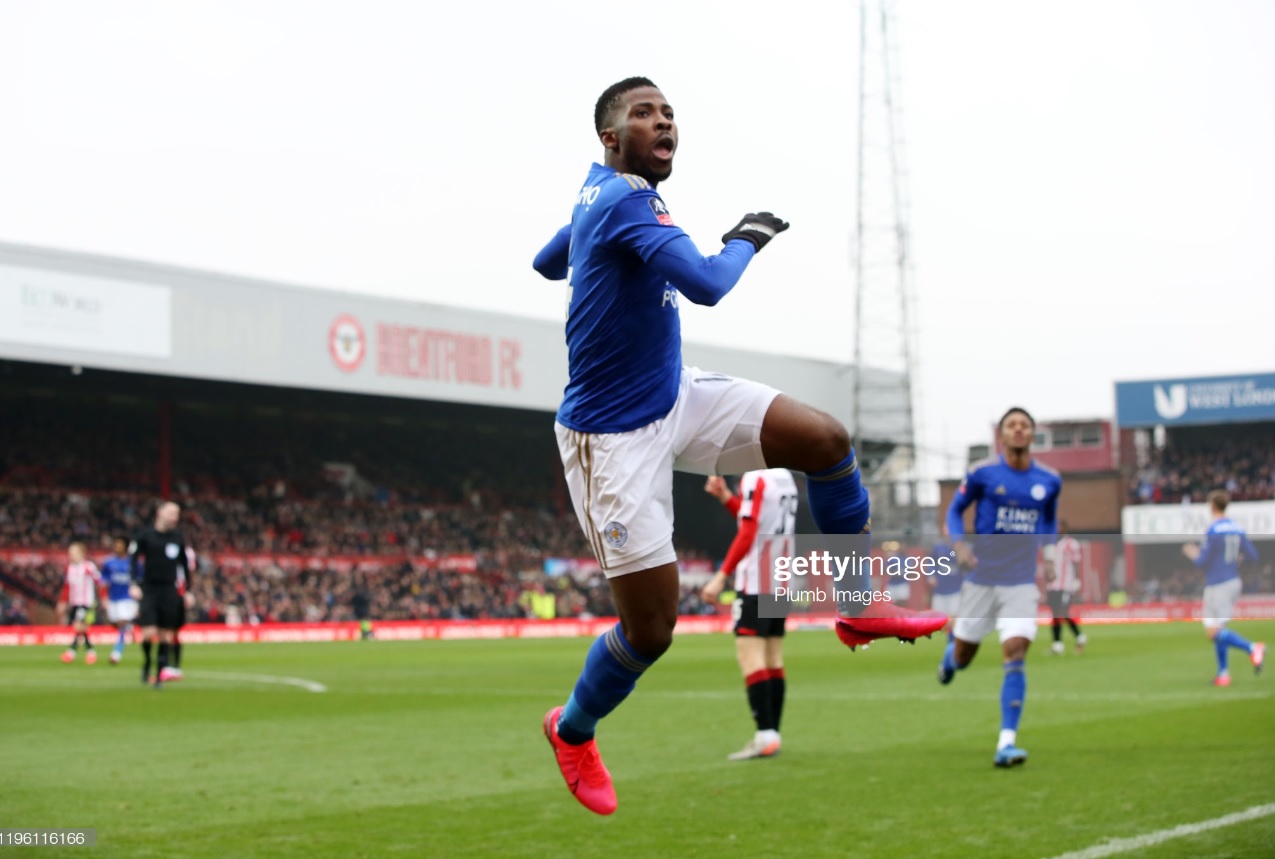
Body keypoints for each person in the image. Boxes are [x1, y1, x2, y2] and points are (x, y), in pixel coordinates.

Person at [532, 76, 946, 815]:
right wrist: (745, 236)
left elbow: (545, 262)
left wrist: (577, 246)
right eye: (643, 113)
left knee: (823, 439)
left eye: (667, 112)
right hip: (611, 438)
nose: (663, 122)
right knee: (651, 630)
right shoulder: (624, 199)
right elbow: (708, 284)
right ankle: (572, 727)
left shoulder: (602, 193)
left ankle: (856, 601)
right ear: (609, 135)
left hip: (672, 392)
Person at [937, 407, 1061, 768]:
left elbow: (1050, 518)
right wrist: (959, 545)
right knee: (963, 658)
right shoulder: (982, 473)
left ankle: (1007, 742)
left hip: (1021, 582)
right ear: (1001, 436)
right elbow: (953, 511)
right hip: (981, 579)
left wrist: (1049, 555)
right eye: (1012, 425)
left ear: (1032, 434)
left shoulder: (1049, 480)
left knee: (1016, 648)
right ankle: (950, 655)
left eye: (1024, 425)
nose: (1018, 430)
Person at [701, 470, 798, 761]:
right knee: (773, 658)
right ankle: (772, 734)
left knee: (750, 656)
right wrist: (727, 498)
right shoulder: (784, 476)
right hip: (781, 579)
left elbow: (748, 530)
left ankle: (764, 735)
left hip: (756, 580)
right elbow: (759, 520)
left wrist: (721, 576)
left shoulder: (754, 477)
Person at [1181, 490, 1264, 687]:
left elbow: (1202, 562)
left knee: (1212, 632)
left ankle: (1252, 648)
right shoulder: (1237, 528)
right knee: (1219, 629)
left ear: (1212, 506)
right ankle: (1223, 674)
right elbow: (1253, 556)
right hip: (1234, 581)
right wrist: (1236, 559)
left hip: (1217, 583)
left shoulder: (1213, 530)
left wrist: (1192, 552)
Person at [130, 502, 192, 688]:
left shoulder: (178, 538)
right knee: (148, 633)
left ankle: (159, 675)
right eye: (172, 513)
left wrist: (187, 590)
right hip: (149, 589)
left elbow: (184, 565)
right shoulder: (145, 536)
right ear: (160, 513)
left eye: (177, 514)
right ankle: (148, 661)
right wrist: (134, 583)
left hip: (169, 590)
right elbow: (133, 559)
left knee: (166, 634)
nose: (175, 517)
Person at [56, 542, 104, 664]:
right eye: (70, 553)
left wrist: (104, 597)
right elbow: (67, 587)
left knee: (79, 627)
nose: (71, 555)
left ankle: (71, 653)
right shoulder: (70, 568)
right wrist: (63, 602)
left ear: (82, 553)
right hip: (74, 602)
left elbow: (100, 581)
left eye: (73, 553)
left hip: (86, 602)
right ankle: (90, 652)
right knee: (81, 629)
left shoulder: (88, 567)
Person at [1045, 522, 1086, 655]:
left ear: (1065, 529)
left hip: (1065, 584)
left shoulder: (1071, 544)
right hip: (1053, 585)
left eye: (1060, 528)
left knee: (1062, 612)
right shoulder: (1051, 544)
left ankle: (1076, 637)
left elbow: (1076, 564)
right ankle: (1059, 644)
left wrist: (1076, 581)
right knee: (1055, 613)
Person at [101, 536, 138, 665]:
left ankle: (116, 653)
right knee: (114, 623)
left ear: (125, 547)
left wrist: (138, 590)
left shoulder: (133, 563)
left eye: (119, 545)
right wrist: (104, 597)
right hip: (113, 599)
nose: (117, 547)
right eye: (115, 545)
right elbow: (103, 581)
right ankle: (130, 627)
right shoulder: (109, 563)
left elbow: (141, 578)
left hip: (127, 599)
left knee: (121, 624)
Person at [928, 537, 963, 639]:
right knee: (939, 621)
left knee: (954, 616)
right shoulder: (938, 547)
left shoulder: (961, 547)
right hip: (940, 589)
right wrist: (931, 575)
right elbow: (930, 562)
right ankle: (947, 638)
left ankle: (953, 638)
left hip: (956, 589)